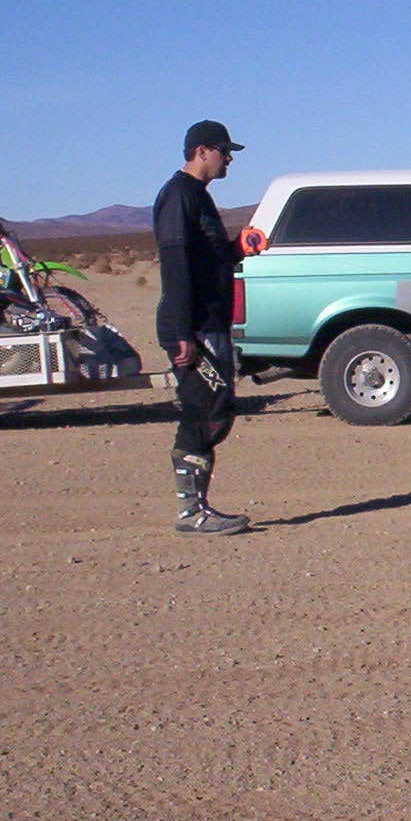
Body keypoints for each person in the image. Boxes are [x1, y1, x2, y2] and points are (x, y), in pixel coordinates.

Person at [155, 120, 250, 533]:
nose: (229, 159)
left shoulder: (199, 197)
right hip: (193, 327)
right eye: (224, 151)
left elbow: (206, 261)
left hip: (210, 322)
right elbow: (176, 268)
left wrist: (236, 249)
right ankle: (191, 513)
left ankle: (197, 509)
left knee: (218, 409)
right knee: (203, 411)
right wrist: (181, 333)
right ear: (201, 151)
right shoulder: (178, 196)